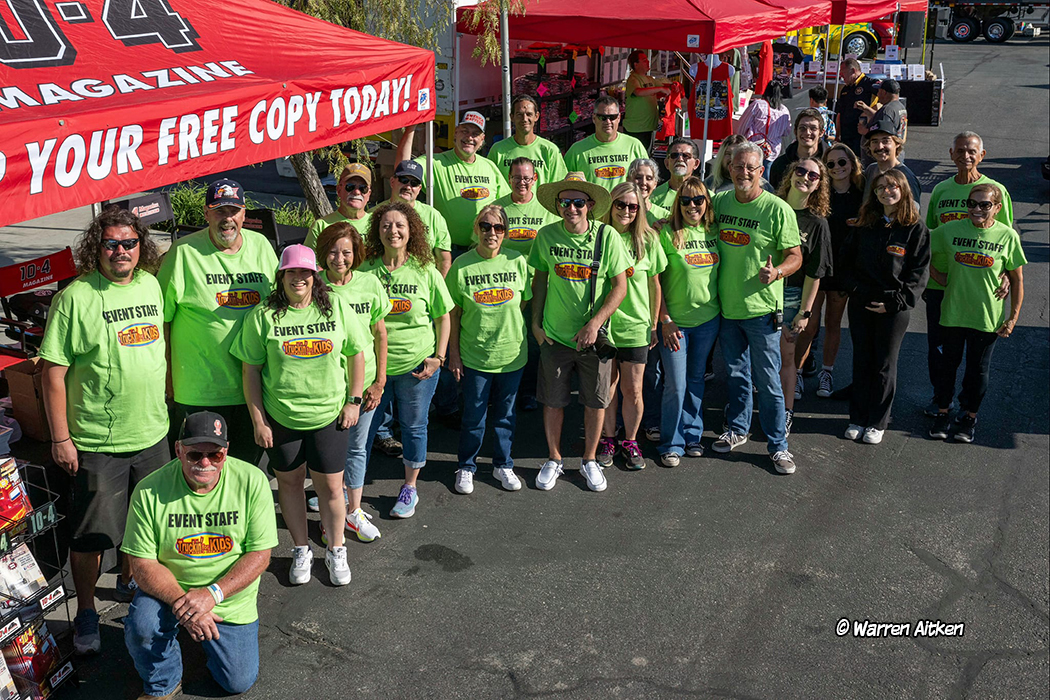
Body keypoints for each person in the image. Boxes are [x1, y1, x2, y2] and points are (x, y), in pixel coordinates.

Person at [39, 208, 168, 655]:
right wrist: (60, 438)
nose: (120, 251)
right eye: (111, 243)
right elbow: (52, 372)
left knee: (145, 526)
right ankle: (87, 610)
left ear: (140, 246)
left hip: (152, 433)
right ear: (97, 247)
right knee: (91, 536)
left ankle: (131, 583)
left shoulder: (150, 284)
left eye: (129, 243)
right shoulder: (75, 298)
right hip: (98, 441)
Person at [232, 244, 369, 586]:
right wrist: (259, 420)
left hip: (329, 416)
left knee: (332, 489)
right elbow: (250, 371)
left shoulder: (335, 306)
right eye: (291, 272)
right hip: (282, 418)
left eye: (305, 272)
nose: (298, 278)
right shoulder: (264, 315)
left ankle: (336, 549)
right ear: (281, 276)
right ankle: (301, 548)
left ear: (314, 276)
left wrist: (353, 401)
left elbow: (356, 353)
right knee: (290, 484)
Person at [122, 411, 277, 699]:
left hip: (227, 595)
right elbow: (142, 565)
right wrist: (187, 605)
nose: (205, 463)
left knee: (237, 682)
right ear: (178, 450)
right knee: (143, 625)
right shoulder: (148, 491)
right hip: (170, 590)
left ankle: (202, 638)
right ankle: (163, 683)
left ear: (225, 452)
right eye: (195, 454)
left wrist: (212, 595)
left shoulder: (252, 481)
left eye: (214, 455)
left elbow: (260, 554)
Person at [156, 179, 278, 464]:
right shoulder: (183, 253)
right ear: (206, 213)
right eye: (219, 211)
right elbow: (162, 321)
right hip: (199, 392)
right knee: (199, 473)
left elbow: (279, 308)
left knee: (247, 472)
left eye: (233, 211)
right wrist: (167, 381)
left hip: (253, 391)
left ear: (244, 213)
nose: (227, 218)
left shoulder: (261, 246)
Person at [528, 173, 630, 491]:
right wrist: (536, 324)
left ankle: (589, 460)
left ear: (590, 205)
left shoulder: (607, 237)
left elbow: (620, 287)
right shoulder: (546, 236)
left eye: (578, 202)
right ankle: (554, 459)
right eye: (565, 202)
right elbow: (540, 282)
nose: (571, 208)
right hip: (555, 336)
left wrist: (595, 324)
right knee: (553, 401)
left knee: (596, 402)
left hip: (593, 339)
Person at [711, 143, 802, 475]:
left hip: (762, 312)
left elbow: (796, 256)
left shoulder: (778, 209)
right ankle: (738, 429)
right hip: (727, 308)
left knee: (768, 381)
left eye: (751, 167)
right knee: (736, 375)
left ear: (761, 171)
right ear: (730, 169)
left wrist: (777, 272)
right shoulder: (720, 202)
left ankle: (778, 445)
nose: (744, 173)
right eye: (738, 166)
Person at [361, 202, 453, 518]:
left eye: (400, 225)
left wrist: (439, 357)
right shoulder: (364, 270)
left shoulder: (425, 270)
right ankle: (347, 488)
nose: (393, 231)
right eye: (386, 225)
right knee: (363, 431)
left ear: (411, 230)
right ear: (377, 231)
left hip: (416, 367)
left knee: (414, 427)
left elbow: (443, 317)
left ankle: (409, 488)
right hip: (373, 369)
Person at [923, 131, 1014, 416]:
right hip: (940, 286)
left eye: (971, 151)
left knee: (976, 359)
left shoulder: (995, 191)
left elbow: (1006, 239)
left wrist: (1007, 275)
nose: (966, 156)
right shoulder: (941, 190)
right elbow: (929, 236)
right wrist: (932, 274)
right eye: (960, 150)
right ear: (951, 154)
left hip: (977, 287)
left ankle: (967, 407)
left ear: (982, 155)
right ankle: (941, 400)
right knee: (940, 351)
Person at [929, 184, 1025, 443]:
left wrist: (1013, 317)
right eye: (972, 203)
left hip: (986, 318)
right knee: (947, 367)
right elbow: (922, 246)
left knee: (978, 371)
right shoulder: (949, 230)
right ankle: (942, 413)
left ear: (998, 207)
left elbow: (1017, 279)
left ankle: (969, 417)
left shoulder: (1007, 236)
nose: (977, 209)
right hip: (952, 314)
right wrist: (936, 274)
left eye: (985, 205)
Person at [840, 169, 930, 444]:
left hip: (893, 308)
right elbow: (845, 262)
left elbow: (918, 273)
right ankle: (857, 418)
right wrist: (856, 291)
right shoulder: (865, 223)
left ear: (903, 190)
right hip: (861, 302)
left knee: (884, 364)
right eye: (880, 188)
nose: (885, 192)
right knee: (862, 360)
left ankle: (877, 422)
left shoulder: (915, 228)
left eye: (892, 187)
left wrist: (894, 303)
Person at [314, 223, 390, 542]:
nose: (339, 258)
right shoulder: (314, 285)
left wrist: (379, 382)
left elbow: (380, 333)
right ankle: (330, 513)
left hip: (364, 384)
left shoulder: (369, 283)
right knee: (327, 456)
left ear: (356, 253)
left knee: (357, 448)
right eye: (332, 251)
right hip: (326, 386)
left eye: (346, 251)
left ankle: (353, 511)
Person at [446, 205, 531, 493]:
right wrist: (454, 354)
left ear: (505, 232)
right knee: (473, 416)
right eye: (485, 226)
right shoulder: (461, 265)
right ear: (476, 229)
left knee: (506, 415)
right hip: (475, 355)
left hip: (511, 354)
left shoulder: (517, 261)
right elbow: (453, 314)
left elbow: (523, 301)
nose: (491, 232)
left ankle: (503, 464)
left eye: (498, 227)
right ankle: (466, 466)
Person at [597, 182, 666, 469]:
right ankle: (608, 438)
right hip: (604, 326)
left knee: (633, 390)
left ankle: (630, 440)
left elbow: (655, 285)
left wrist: (654, 324)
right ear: (611, 205)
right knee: (607, 388)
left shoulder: (648, 239)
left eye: (632, 206)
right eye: (620, 204)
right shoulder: (598, 236)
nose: (626, 210)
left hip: (636, 325)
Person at [656, 177, 720, 466]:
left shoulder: (715, 231)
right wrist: (665, 319)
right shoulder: (666, 233)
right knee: (676, 384)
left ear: (707, 202)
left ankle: (693, 434)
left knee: (695, 379)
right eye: (685, 200)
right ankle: (671, 442)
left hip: (708, 321)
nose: (692, 206)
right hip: (675, 324)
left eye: (698, 200)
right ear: (677, 204)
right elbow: (655, 281)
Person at [494, 157, 560, 411]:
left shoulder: (546, 210)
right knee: (506, 337)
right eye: (516, 177)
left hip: (539, 286)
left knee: (534, 341)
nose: (521, 182)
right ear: (509, 178)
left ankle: (529, 392)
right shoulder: (498, 208)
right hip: (505, 288)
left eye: (526, 177)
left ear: (535, 179)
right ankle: (501, 392)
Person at [800, 144, 865, 399]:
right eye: (831, 164)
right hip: (817, 266)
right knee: (809, 324)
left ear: (852, 163)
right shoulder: (819, 193)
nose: (837, 167)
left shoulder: (862, 195)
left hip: (844, 269)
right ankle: (796, 372)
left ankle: (826, 372)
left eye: (842, 162)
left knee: (834, 323)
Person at [775, 158, 833, 432]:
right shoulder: (770, 207)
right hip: (759, 293)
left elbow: (815, 273)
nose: (806, 177)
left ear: (819, 185)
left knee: (787, 356)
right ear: (791, 174)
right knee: (754, 358)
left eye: (813, 175)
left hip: (791, 296)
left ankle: (785, 413)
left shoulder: (817, 223)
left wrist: (804, 313)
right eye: (801, 171)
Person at [397, 111, 509, 251]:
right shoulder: (434, 163)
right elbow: (402, 169)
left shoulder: (490, 167)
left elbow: (507, 204)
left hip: (482, 250)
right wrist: (411, 128)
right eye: (465, 131)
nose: (469, 137)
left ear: (482, 139)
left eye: (475, 134)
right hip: (447, 250)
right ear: (455, 133)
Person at [383, 160, 453, 275]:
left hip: (423, 281)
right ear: (392, 181)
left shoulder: (433, 215)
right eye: (403, 180)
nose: (408, 186)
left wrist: (439, 283)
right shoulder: (376, 214)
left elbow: (444, 259)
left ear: (419, 188)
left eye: (414, 183)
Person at [564, 95, 649, 190]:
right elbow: (564, 185)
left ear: (619, 118)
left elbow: (647, 179)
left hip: (625, 200)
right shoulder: (577, 150)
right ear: (594, 118)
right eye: (602, 117)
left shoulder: (634, 146)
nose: (608, 121)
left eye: (612, 117)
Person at [486, 95, 568, 186]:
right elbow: (489, 184)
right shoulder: (498, 150)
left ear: (536, 116)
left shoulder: (549, 150)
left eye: (529, 114)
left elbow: (559, 186)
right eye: (519, 114)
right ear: (512, 117)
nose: (524, 119)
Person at [304, 162, 373, 249]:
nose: (356, 192)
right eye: (350, 186)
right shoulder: (321, 226)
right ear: (339, 190)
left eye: (363, 188)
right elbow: (309, 257)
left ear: (369, 194)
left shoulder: (378, 223)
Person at [735, 82, 792, 177]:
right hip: (773, 151)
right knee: (767, 176)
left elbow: (743, 124)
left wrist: (740, 139)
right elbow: (787, 132)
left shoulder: (758, 105)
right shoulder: (784, 110)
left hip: (755, 146)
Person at [623, 50, 672, 152]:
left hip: (649, 126)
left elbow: (665, 87)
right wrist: (660, 89)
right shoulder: (633, 79)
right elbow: (638, 92)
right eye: (644, 60)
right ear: (636, 64)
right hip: (636, 128)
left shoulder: (649, 79)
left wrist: (674, 86)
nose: (648, 62)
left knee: (646, 155)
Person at [863, 120, 921, 204]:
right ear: (869, 146)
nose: (880, 146)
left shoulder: (906, 177)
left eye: (885, 141)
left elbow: (913, 210)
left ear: (897, 143)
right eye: (875, 141)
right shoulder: (871, 170)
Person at [769, 108, 829, 189]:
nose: (807, 132)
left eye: (813, 128)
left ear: (821, 133)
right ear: (795, 131)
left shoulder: (830, 163)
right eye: (802, 128)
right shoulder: (780, 165)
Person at [835, 58, 880, 159]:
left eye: (843, 72)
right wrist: (837, 135)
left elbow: (887, 96)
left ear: (853, 70)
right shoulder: (845, 89)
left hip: (862, 136)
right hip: (846, 136)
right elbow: (840, 113)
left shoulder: (869, 83)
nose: (841, 75)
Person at [651, 137, 701, 210]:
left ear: (696, 164)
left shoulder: (707, 196)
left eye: (686, 155)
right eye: (674, 155)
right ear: (667, 163)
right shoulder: (652, 197)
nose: (680, 159)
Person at [857, 78, 907, 144]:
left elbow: (883, 133)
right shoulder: (900, 107)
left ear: (884, 92)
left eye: (878, 91)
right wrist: (866, 108)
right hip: (895, 146)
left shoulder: (887, 110)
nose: (877, 94)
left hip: (884, 148)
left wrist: (865, 131)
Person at [628, 158, 669, 225]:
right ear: (628, 180)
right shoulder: (621, 213)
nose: (643, 182)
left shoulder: (665, 216)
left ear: (655, 184)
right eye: (638, 177)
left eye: (649, 178)